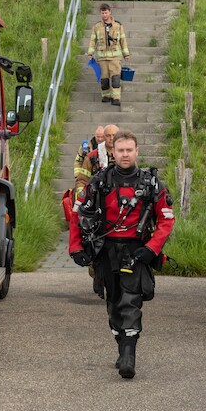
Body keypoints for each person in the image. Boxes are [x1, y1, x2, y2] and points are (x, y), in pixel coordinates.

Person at [70, 130, 175, 379]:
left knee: (131, 301)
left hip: (136, 251)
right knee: (113, 303)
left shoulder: (151, 184)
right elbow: (78, 213)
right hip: (106, 250)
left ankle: (129, 356)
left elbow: (166, 220)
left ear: (137, 152)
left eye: (130, 150)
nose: (125, 154)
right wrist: (75, 247)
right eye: (121, 150)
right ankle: (121, 347)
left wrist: (151, 249)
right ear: (113, 153)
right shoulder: (99, 182)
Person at [68, 124, 119, 298]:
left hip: (118, 206)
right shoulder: (92, 157)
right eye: (108, 136)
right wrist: (82, 199)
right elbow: (82, 179)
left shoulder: (124, 154)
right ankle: (97, 273)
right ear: (103, 138)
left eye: (114, 135)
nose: (111, 139)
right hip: (96, 206)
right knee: (94, 242)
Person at [87, 4, 130, 106]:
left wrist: (126, 54)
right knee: (104, 79)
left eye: (106, 12)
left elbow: (123, 40)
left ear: (110, 12)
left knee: (115, 78)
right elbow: (93, 41)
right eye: (102, 13)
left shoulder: (118, 26)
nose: (104, 15)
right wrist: (90, 53)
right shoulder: (96, 27)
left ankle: (116, 98)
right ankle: (106, 96)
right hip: (102, 58)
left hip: (115, 57)